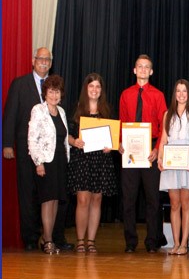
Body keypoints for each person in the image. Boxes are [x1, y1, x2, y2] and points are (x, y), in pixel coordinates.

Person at [3, 47, 72, 251]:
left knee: (52, 197)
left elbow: (62, 129)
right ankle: (31, 238)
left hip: (54, 156)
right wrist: (7, 143)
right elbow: (10, 114)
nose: (44, 62)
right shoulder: (19, 84)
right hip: (27, 150)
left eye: (47, 59)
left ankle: (53, 236)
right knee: (28, 195)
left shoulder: (55, 88)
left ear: (51, 63)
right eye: (40, 59)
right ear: (34, 60)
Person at [119, 54, 168, 253]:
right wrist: (120, 142)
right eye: (139, 66)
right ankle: (130, 242)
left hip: (150, 151)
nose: (142, 70)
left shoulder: (158, 95)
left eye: (146, 67)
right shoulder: (125, 94)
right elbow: (121, 122)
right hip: (129, 152)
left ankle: (152, 241)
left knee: (153, 199)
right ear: (134, 70)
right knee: (129, 199)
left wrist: (158, 150)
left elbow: (164, 126)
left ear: (151, 71)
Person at [67, 73, 118, 253]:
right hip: (82, 159)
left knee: (97, 200)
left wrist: (110, 146)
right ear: (86, 89)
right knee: (83, 200)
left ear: (101, 90)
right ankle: (80, 240)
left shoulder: (107, 110)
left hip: (101, 160)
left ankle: (91, 241)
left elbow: (115, 137)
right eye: (91, 86)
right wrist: (74, 142)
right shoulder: (76, 109)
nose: (94, 90)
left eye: (97, 87)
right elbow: (66, 133)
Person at [28, 75, 70, 254]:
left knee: (54, 201)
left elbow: (65, 138)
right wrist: (38, 162)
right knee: (47, 200)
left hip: (60, 161)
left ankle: (47, 236)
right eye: (51, 91)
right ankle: (48, 242)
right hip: (45, 162)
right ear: (45, 93)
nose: (54, 95)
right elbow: (32, 138)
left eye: (57, 92)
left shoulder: (61, 112)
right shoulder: (38, 110)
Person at [157, 79, 189, 255]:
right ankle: (175, 243)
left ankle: (184, 244)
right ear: (174, 94)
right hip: (171, 162)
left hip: (187, 161)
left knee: (186, 203)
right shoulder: (168, 114)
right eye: (178, 91)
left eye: (184, 91)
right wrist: (160, 158)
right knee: (174, 204)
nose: (181, 94)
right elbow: (164, 139)